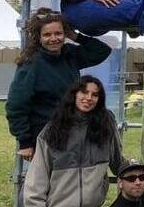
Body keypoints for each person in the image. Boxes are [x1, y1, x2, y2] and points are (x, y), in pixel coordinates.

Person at [23, 76, 123, 207]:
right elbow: (38, 172)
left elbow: (118, 161)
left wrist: (138, 175)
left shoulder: (105, 126)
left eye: (94, 94)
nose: (88, 98)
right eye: (84, 92)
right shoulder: (53, 129)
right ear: (74, 94)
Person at [6, 8, 111, 161]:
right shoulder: (31, 64)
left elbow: (101, 51)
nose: (53, 38)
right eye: (47, 34)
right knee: (48, 183)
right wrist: (25, 142)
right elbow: (16, 105)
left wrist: (74, 35)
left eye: (58, 33)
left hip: (72, 130)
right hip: (44, 135)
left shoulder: (69, 54)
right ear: (38, 37)